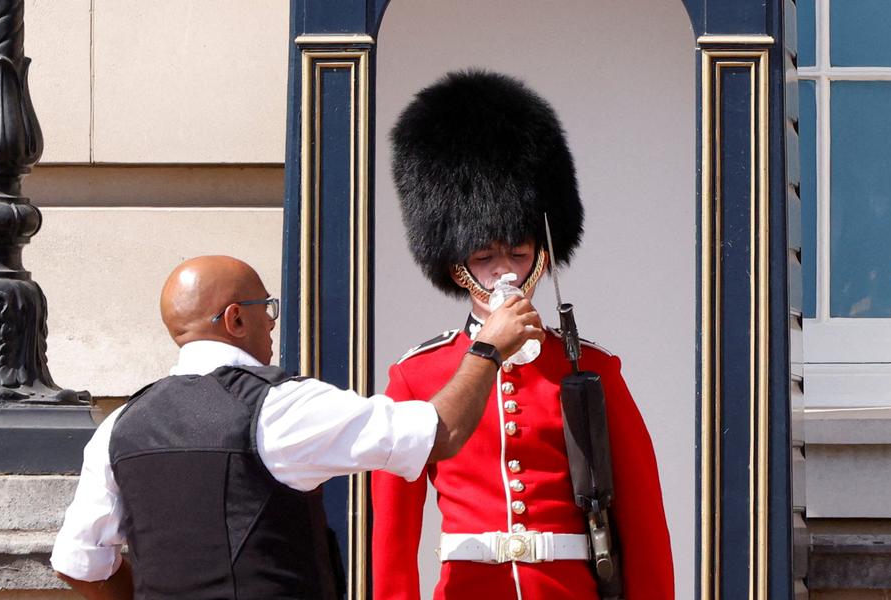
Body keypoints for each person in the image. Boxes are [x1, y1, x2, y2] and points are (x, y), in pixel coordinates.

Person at [50, 255, 544, 600]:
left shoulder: (119, 426)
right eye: (268, 309)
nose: (273, 326)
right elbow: (441, 433)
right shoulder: (279, 407)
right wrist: (488, 349)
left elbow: (79, 565)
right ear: (235, 319)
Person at [371, 70, 674, 600]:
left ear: (541, 257)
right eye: (484, 256)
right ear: (457, 265)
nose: (503, 270)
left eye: (518, 252)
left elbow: (644, 520)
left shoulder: (593, 370)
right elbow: (393, 538)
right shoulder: (416, 376)